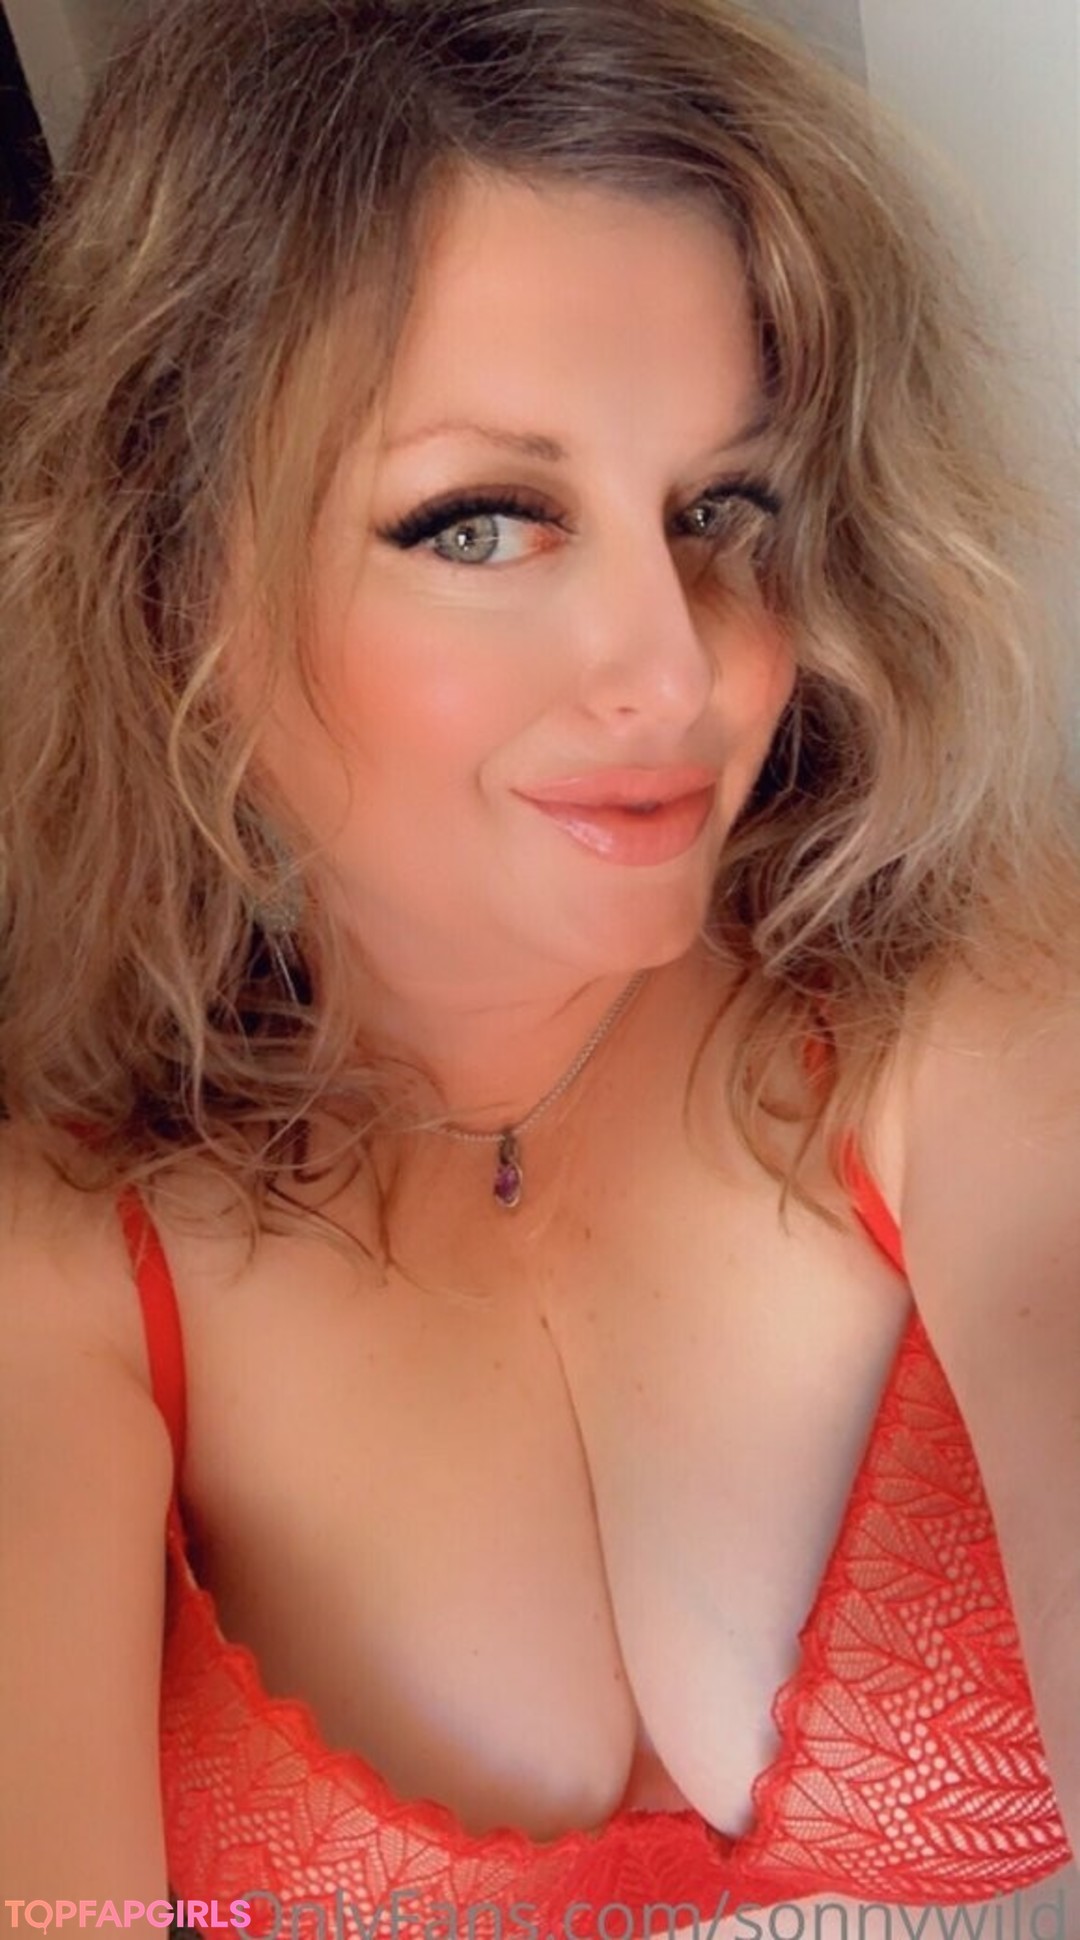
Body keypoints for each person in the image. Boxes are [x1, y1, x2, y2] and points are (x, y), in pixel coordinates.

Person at [1, 1, 1078, 1934]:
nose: (681, 668)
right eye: (483, 523)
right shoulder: (64, 1268)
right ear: (176, 594)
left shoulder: (977, 1007)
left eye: (722, 508)